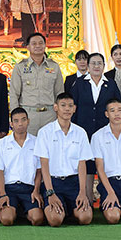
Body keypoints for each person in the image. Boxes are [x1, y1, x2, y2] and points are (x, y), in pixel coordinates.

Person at [34, 93, 93, 227]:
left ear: (74, 109)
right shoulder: (45, 132)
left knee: (86, 218)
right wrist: (50, 193)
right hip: (53, 183)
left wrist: (82, 192)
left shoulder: (80, 132)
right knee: (55, 220)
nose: (67, 109)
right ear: (55, 107)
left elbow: (82, 164)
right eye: (63, 105)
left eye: (70, 106)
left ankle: (70, 210)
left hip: (73, 183)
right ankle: (61, 210)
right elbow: (44, 165)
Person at [70, 52, 121, 200]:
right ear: (88, 66)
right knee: (87, 164)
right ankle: (87, 198)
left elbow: (117, 106)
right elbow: (73, 107)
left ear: (104, 66)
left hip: (105, 131)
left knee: (105, 162)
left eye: (100, 63)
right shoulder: (80, 83)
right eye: (93, 63)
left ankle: (108, 197)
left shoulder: (111, 84)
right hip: (84, 130)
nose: (96, 66)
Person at [0, 107, 44, 226]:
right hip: (9, 189)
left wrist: (36, 190)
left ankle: (23, 211)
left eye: (23, 120)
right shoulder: (2, 143)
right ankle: (15, 210)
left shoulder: (37, 142)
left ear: (28, 121)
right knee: (6, 219)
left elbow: (39, 171)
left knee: (38, 219)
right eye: (16, 121)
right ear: (11, 124)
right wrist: (2, 194)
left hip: (29, 189)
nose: (20, 124)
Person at [10, 33, 64, 135]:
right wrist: (16, 118)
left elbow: (59, 93)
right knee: (29, 147)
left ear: (45, 46)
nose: (38, 46)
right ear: (28, 47)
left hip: (50, 115)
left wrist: (60, 115)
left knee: (50, 147)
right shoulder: (20, 67)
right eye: (34, 43)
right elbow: (14, 94)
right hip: (28, 115)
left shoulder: (54, 66)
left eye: (41, 43)